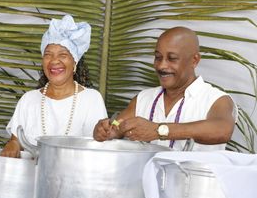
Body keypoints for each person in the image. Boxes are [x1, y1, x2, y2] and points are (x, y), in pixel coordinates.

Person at [93, 26, 236, 150]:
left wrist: (159, 130)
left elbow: (222, 129)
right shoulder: (144, 98)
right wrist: (106, 130)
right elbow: (117, 126)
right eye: (158, 57)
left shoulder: (216, 99)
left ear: (194, 60)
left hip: (190, 182)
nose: (161, 66)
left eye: (172, 58)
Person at [1, 14, 107, 157]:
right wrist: (12, 144)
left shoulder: (91, 99)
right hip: (32, 178)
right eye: (48, 55)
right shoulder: (28, 99)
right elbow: (15, 141)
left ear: (75, 62)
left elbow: (98, 149)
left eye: (63, 55)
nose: (54, 61)